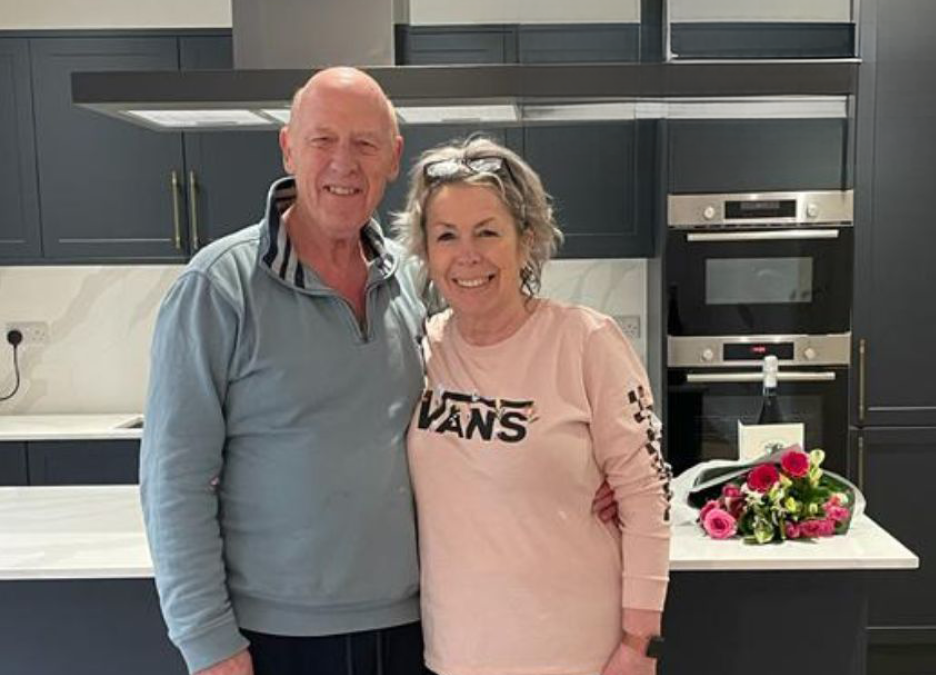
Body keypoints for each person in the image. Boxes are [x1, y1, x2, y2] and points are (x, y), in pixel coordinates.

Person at [140, 67, 427, 675]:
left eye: (365, 143)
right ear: (288, 147)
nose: (343, 164)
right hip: (274, 639)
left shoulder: (413, 281)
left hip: (417, 626)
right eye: (323, 140)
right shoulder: (216, 288)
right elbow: (174, 483)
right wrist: (208, 643)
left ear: (394, 157)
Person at [401, 137, 673, 675]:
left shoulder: (585, 341)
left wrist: (639, 644)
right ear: (427, 254)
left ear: (526, 241)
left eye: (488, 232)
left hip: (578, 655)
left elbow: (647, 495)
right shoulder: (421, 349)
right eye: (446, 236)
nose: (467, 255)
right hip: (455, 655)